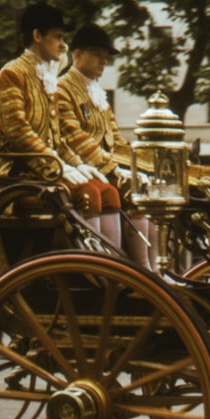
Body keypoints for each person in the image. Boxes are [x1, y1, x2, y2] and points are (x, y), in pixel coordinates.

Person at [0, 3, 122, 250]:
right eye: (58, 37)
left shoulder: (45, 77)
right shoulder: (11, 74)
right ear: (37, 36)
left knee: (108, 193)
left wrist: (77, 164)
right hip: (10, 168)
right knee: (88, 194)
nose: (64, 45)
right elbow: (18, 132)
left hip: (39, 166)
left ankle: (116, 267)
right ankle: (95, 269)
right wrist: (57, 167)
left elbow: (56, 138)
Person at [58, 23, 157, 268]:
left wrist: (141, 165)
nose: (103, 61)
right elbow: (75, 138)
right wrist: (114, 169)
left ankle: (154, 269)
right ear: (77, 55)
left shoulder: (97, 92)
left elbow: (116, 140)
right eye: (97, 54)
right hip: (85, 168)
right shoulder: (62, 89)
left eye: (106, 57)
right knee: (132, 192)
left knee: (153, 191)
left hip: (105, 167)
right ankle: (132, 270)